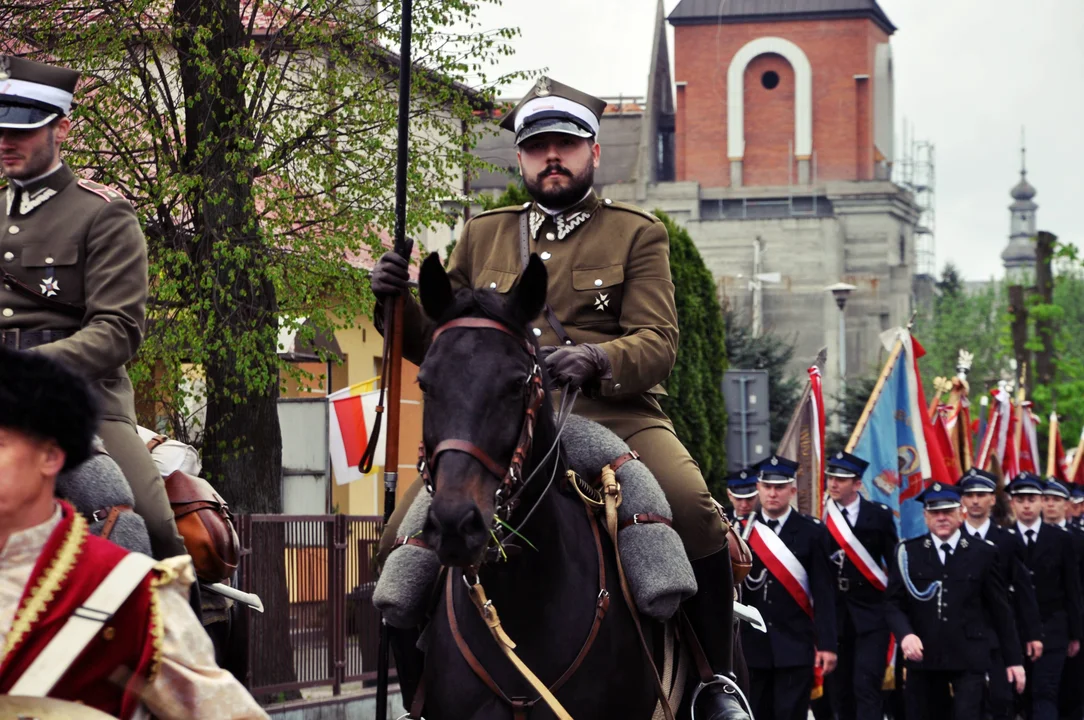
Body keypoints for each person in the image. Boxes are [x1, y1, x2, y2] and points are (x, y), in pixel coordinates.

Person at [371, 76, 747, 720]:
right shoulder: (483, 233)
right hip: (501, 421)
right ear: (519, 158)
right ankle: (419, 697)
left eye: (566, 145)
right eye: (537, 145)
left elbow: (659, 341)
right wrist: (392, 304)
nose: (552, 157)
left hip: (611, 413)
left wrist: (599, 357)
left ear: (593, 153)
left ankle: (716, 683)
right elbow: (449, 344)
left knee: (692, 511)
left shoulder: (636, 233)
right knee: (400, 546)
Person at [0, 346, 265, 718]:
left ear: (50, 455)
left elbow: (116, 328)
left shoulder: (132, 594)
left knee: (158, 522)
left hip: (93, 387)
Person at [0, 55, 185, 560]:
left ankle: (184, 626)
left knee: (155, 527)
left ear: (62, 128)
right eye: (0, 129)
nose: (5, 141)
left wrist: (30, 369)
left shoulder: (102, 214)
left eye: (23, 130)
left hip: (83, 402)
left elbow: (119, 329)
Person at [886, 482, 1026, 720]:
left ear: (960, 513)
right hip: (924, 656)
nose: (941, 518)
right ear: (925, 516)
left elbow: (1000, 611)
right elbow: (893, 604)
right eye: (935, 513)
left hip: (968, 656)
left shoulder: (983, 552)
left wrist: (1014, 661)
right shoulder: (909, 553)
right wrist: (905, 634)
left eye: (948, 512)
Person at [740, 455, 837, 720]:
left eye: (780, 487)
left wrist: (828, 644)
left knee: (790, 714)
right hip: (751, 646)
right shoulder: (741, 532)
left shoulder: (812, 532)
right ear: (758, 488)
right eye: (767, 487)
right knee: (754, 713)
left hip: (795, 644)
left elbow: (824, 593)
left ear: (792, 491)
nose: (773, 493)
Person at [958, 468, 1044, 720]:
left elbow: (1023, 590)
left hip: (999, 628)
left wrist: (1032, 633)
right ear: (962, 499)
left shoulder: (1007, 540)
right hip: (963, 631)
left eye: (981, 494)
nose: (975, 500)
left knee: (1001, 697)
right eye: (970, 494)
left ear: (992, 499)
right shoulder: (953, 538)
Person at [820, 450, 897, 720]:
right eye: (831, 478)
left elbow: (894, 566)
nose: (833, 484)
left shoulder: (879, 516)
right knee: (839, 691)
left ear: (857, 484)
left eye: (842, 479)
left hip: (871, 614)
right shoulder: (820, 517)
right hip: (835, 616)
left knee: (866, 686)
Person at [1008, 472, 1084, 720]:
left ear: (1041, 501)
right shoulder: (1002, 539)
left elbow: (1072, 588)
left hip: (1053, 628)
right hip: (1014, 631)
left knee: (1045, 692)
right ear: (1012, 503)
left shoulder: (1062, 539)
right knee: (1020, 694)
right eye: (1020, 499)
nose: (1027, 505)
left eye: (1032, 499)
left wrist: (1076, 633)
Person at [1039, 478, 1084, 720]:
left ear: (1066, 504)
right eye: (1046, 499)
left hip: (1070, 622)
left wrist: (1076, 630)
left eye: (1056, 500)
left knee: (1072, 690)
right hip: (1037, 626)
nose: (1050, 505)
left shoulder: (1077, 538)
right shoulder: (1026, 537)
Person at [725, 467, 758, 535]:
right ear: (729, 495)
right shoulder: (721, 519)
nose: (744, 505)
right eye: (738, 499)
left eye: (750, 498)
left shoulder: (765, 521)